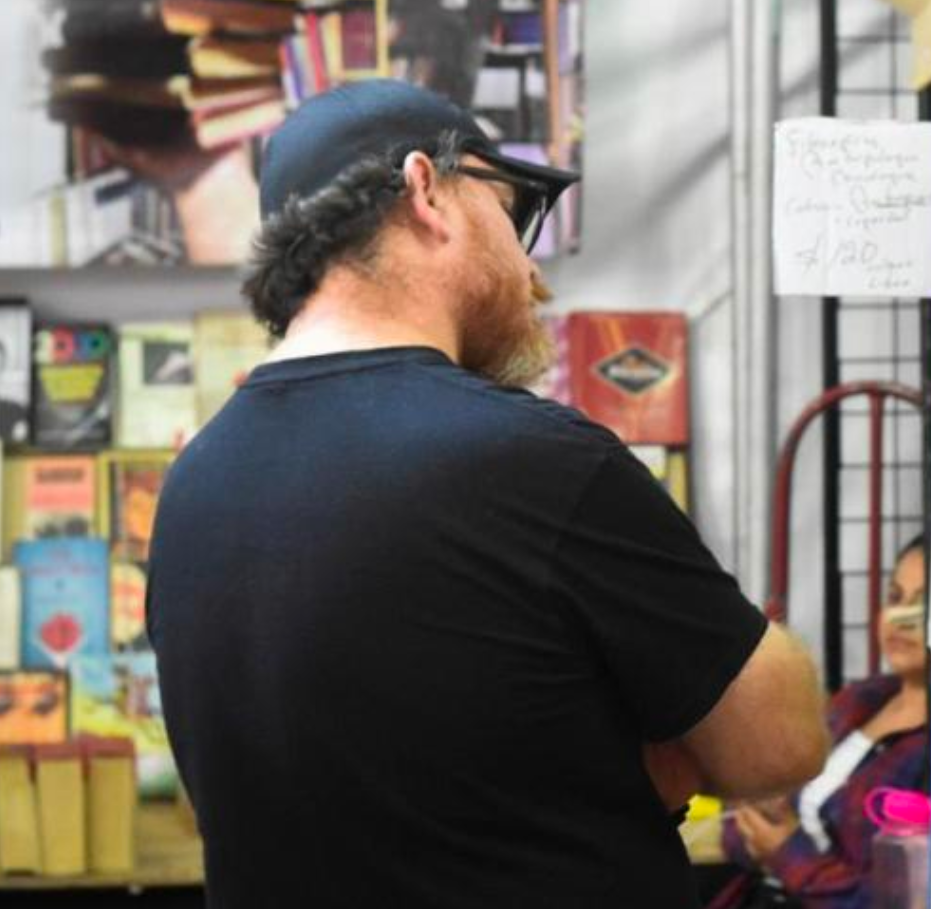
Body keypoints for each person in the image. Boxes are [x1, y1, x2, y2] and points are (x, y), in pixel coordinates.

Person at [147, 80, 830, 909]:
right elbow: (778, 743)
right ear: (427, 192)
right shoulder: (533, 460)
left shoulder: (194, 482)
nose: (529, 268)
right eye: (511, 211)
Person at [712, 539, 931, 909]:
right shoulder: (859, 699)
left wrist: (786, 852)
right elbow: (737, 828)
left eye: (922, 605)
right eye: (895, 597)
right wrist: (765, 834)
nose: (900, 619)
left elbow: (888, 899)